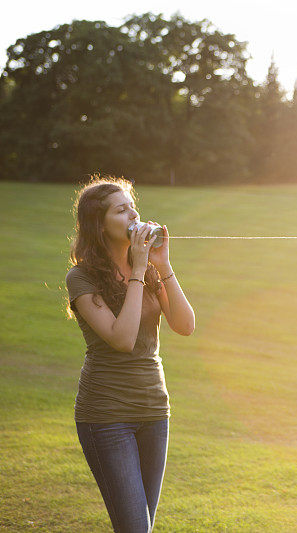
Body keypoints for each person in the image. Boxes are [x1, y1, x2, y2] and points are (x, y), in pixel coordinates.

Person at [65, 176, 195, 532]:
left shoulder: (151, 269)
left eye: (132, 206)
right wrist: (139, 269)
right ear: (100, 224)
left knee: (141, 526)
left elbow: (185, 325)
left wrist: (162, 265)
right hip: (107, 416)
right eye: (121, 210)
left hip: (154, 411)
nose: (133, 214)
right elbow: (121, 339)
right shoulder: (81, 278)